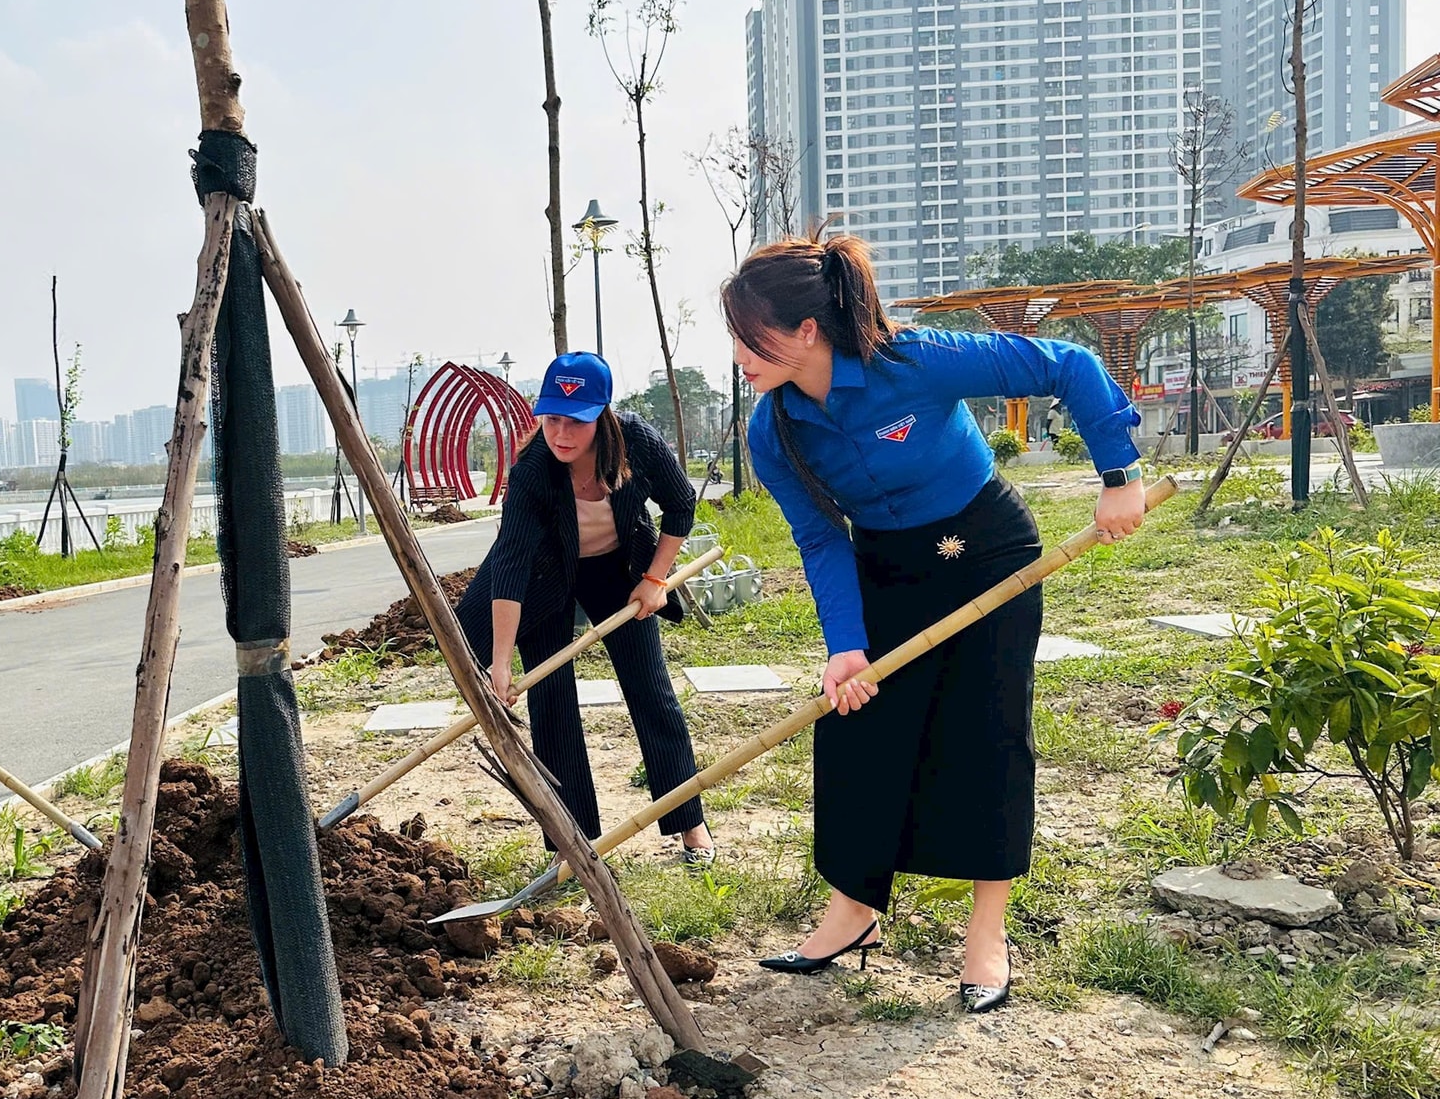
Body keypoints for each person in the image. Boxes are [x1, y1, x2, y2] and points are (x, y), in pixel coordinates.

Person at [720, 234, 1145, 1013]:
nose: (741, 356)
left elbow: (1068, 364)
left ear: (807, 329)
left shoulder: (912, 361)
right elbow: (820, 537)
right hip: (887, 563)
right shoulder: (772, 429)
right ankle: (853, 910)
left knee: (989, 730)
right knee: (854, 721)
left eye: (752, 337)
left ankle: (987, 933)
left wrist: (1119, 474)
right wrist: (846, 647)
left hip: (987, 551)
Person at [456, 353, 716, 864]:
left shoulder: (636, 442)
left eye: (576, 421)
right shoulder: (533, 470)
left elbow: (681, 504)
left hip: (618, 569)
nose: (561, 433)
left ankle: (690, 822)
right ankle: (571, 842)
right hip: (543, 574)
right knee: (551, 700)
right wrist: (500, 663)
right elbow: (510, 564)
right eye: (552, 418)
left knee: (650, 689)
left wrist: (654, 579)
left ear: (602, 414)